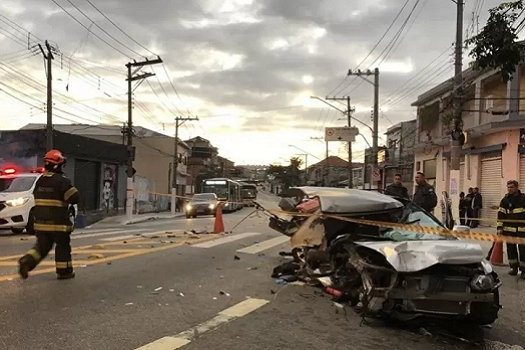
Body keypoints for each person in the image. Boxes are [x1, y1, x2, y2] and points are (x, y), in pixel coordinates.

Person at [18, 150, 79, 280]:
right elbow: (74, 197)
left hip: (41, 223)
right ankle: (64, 271)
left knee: (42, 247)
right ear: (57, 165)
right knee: (62, 247)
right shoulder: (61, 181)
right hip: (58, 223)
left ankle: (27, 261)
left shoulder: (40, 181)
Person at [496, 180, 525, 278]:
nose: (509, 189)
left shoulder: (523, 198)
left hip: (522, 230)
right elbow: (501, 214)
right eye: (508, 187)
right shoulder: (505, 200)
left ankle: (524, 271)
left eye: (512, 187)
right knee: (511, 250)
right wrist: (499, 228)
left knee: (523, 250)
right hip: (509, 230)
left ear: (517, 187)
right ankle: (514, 268)